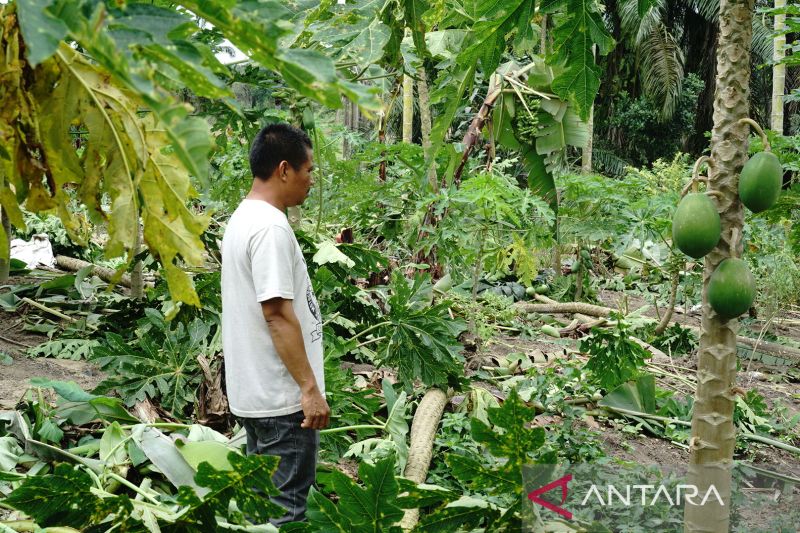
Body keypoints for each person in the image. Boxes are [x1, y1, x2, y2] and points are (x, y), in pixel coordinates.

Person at [221, 123, 330, 525]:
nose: (311, 181)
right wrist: (309, 389)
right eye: (308, 171)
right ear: (284, 169)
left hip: (259, 395)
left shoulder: (244, 218)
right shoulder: (268, 228)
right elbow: (277, 314)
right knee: (287, 515)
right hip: (282, 402)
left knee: (263, 511)